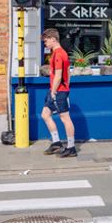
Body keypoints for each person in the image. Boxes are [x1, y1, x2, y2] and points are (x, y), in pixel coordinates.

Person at [41, 28, 77, 157]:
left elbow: (58, 75)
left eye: (46, 41)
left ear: (53, 39)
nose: (45, 44)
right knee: (45, 114)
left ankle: (71, 148)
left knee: (65, 118)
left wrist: (54, 92)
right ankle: (56, 143)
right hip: (57, 89)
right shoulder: (60, 53)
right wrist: (65, 86)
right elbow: (68, 72)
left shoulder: (58, 54)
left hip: (58, 91)